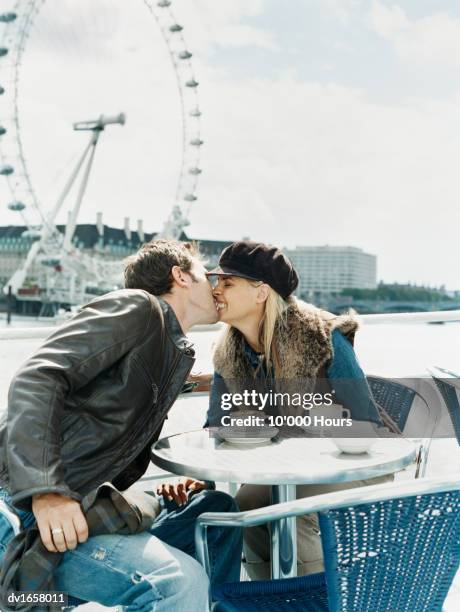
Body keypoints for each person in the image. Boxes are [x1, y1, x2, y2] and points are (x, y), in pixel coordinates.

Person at [0, 239, 242, 611]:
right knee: (176, 583)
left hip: (84, 501)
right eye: (206, 275)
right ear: (180, 276)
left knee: (218, 511)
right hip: (25, 507)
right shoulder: (139, 307)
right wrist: (47, 492)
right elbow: (38, 378)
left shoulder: (167, 346)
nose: (215, 286)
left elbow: (136, 386)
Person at [202, 240, 394, 580]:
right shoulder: (227, 352)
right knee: (244, 506)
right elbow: (217, 425)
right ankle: (276, 597)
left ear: (261, 293)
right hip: (288, 468)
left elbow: (366, 421)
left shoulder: (322, 336)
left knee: (294, 510)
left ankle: (320, 600)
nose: (216, 290)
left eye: (227, 283)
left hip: (355, 461)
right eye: (216, 282)